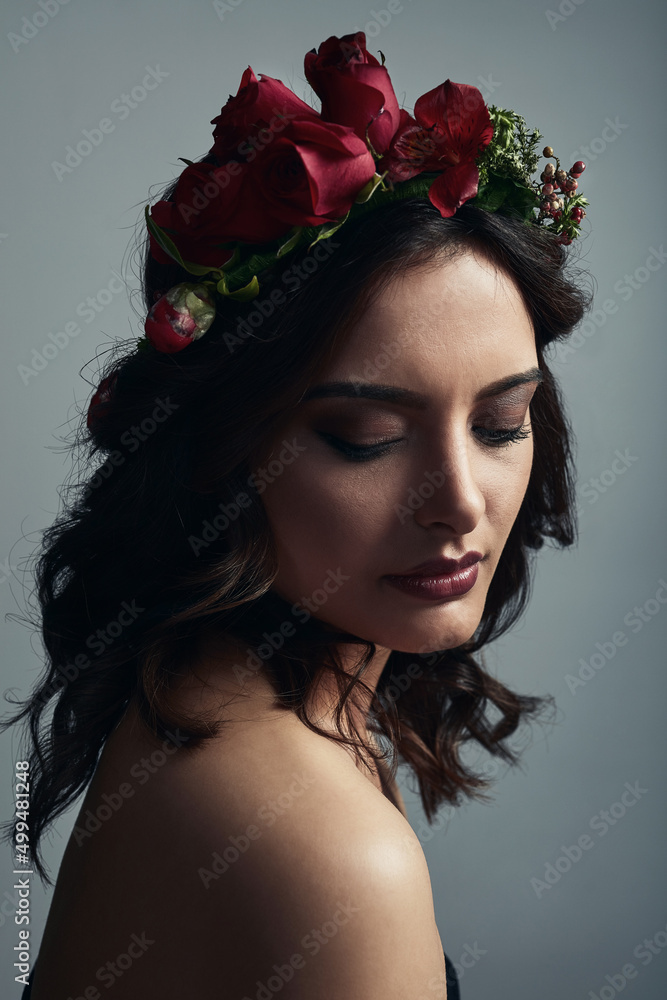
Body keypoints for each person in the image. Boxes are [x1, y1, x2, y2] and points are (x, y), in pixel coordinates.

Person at [2, 30, 591, 1000]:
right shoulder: (330, 854)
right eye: (364, 436)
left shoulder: (217, 684)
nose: (457, 501)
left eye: (499, 420)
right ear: (233, 447)